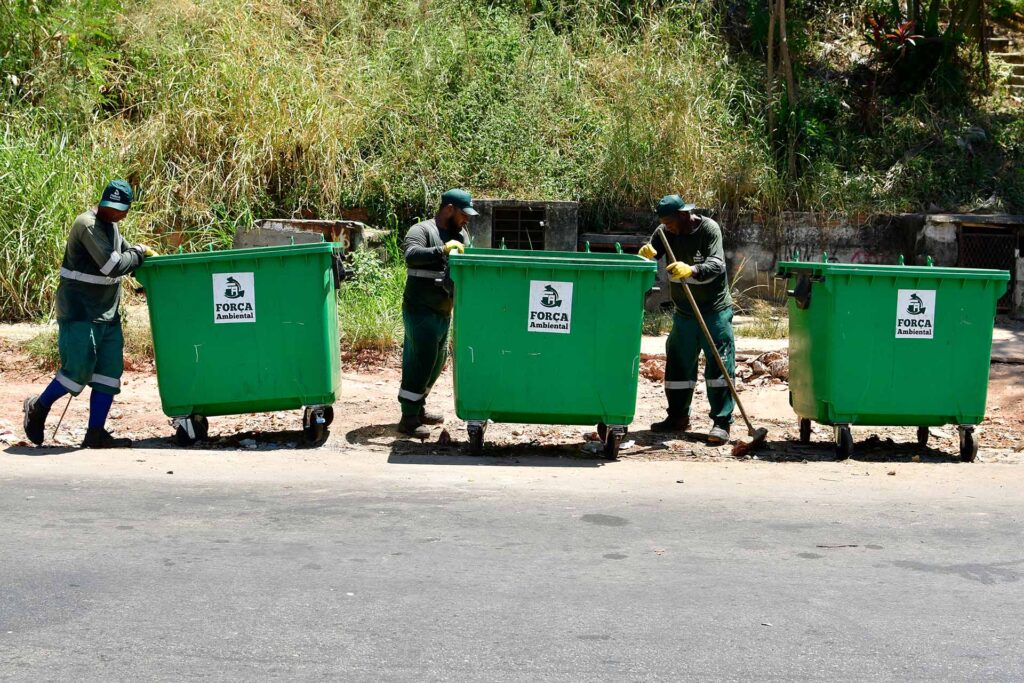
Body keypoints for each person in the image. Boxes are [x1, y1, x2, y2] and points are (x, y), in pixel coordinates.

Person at [23, 180, 156, 448]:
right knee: (77, 371)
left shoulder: (111, 226)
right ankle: (38, 406)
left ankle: (95, 432)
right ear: (102, 203)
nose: (115, 213)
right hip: (80, 312)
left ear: (127, 210)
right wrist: (140, 252)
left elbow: (127, 258)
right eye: (111, 207)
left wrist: (145, 265)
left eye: (120, 210)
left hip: (107, 313)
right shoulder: (87, 225)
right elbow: (113, 265)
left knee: (109, 373)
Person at [638, 195, 735, 444]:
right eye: (664, 223)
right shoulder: (664, 232)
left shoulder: (708, 229)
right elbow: (652, 253)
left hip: (714, 310)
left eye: (670, 222)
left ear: (684, 215)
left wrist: (691, 269)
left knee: (719, 366)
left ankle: (721, 422)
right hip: (684, 312)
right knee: (678, 365)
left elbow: (717, 264)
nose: (667, 227)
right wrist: (645, 254)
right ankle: (677, 417)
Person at [397, 188, 477, 437]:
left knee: (435, 363)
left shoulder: (461, 234)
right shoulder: (422, 230)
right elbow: (411, 255)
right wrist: (441, 250)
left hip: (444, 310)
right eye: (464, 214)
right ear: (449, 209)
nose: (467, 219)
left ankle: (418, 407)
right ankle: (408, 418)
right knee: (420, 361)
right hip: (420, 309)